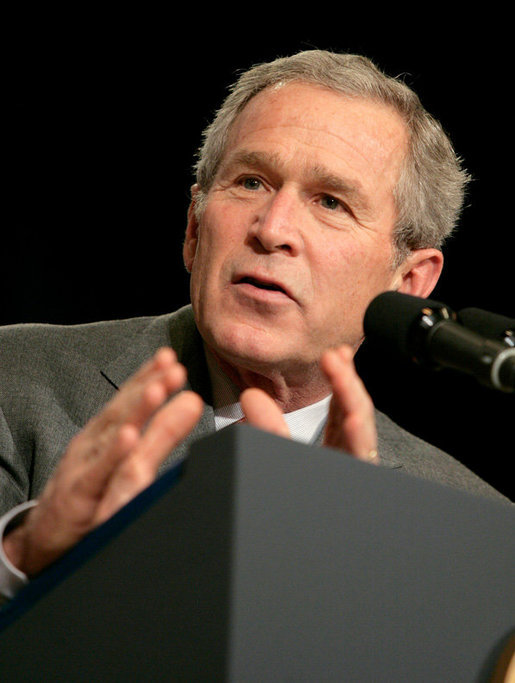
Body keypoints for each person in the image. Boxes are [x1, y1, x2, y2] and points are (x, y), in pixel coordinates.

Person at [0, 49, 509, 601]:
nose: (273, 228)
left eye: (331, 202)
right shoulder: (16, 381)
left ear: (407, 283)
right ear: (194, 229)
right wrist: (23, 559)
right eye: (251, 183)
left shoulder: (480, 530)